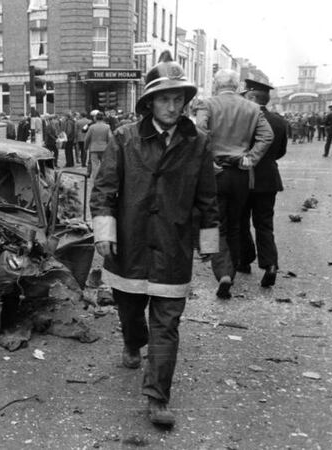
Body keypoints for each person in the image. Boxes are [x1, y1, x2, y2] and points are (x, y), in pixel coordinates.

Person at [90, 52, 219, 427]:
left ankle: (157, 397)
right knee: (130, 311)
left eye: (178, 98)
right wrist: (104, 235)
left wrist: (208, 245)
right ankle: (132, 342)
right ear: (149, 103)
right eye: (164, 98)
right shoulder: (124, 138)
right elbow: (104, 190)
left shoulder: (198, 142)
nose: (172, 105)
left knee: (167, 323)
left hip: (172, 247)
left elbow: (208, 199)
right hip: (129, 244)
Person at [195, 69, 273, 299]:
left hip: (214, 171)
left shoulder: (207, 105)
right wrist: (251, 158)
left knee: (210, 222)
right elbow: (266, 136)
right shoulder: (252, 107)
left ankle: (222, 272)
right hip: (240, 172)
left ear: (216, 84)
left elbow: (199, 133)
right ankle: (233, 268)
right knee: (237, 224)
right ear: (236, 85)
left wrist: (207, 161)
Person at [237, 79, 288, 287]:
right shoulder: (279, 120)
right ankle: (270, 264)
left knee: (241, 221)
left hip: (243, 177)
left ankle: (245, 259)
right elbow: (281, 151)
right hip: (268, 178)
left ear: (251, 96)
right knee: (264, 224)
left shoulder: (243, 118)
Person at [84, 111, 113, 182]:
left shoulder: (92, 127)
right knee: (104, 165)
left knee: (95, 166)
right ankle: (104, 179)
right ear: (103, 119)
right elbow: (110, 138)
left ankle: (96, 181)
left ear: (95, 119)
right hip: (104, 148)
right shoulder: (107, 127)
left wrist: (86, 147)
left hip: (94, 148)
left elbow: (87, 138)